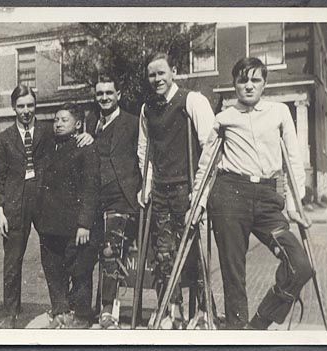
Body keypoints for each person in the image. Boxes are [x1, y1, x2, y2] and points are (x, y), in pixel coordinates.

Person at [190, 57, 313, 330]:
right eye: (242, 80)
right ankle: (238, 333)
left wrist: (294, 204)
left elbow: (293, 160)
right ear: (234, 84)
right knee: (234, 275)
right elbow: (205, 165)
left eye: (255, 80)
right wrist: (196, 204)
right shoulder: (223, 119)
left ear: (264, 83)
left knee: (300, 265)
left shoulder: (280, 112)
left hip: (268, 198)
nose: (248, 86)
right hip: (229, 195)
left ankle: (257, 325)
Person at [0, 85, 94, 328]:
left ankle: (63, 309)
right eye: (21, 106)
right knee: (12, 260)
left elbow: (74, 132)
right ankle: (11, 314)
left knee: (56, 254)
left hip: (45, 202)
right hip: (16, 203)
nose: (26, 111)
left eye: (30, 105)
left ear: (34, 106)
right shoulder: (5, 138)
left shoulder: (48, 132)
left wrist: (88, 135)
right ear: (13, 108)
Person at [138, 51, 215, 328]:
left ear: (173, 71)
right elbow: (144, 148)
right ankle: (173, 310)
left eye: (161, 73)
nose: (157, 79)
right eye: (152, 74)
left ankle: (205, 312)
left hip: (187, 189)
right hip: (160, 189)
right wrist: (145, 185)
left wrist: (201, 191)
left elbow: (210, 145)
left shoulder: (192, 101)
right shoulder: (148, 109)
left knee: (194, 252)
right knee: (163, 253)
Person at [35, 103, 100, 329]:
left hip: (74, 224)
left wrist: (85, 223)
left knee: (80, 269)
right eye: (56, 120)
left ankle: (81, 316)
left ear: (78, 124)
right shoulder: (49, 146)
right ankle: (60, 312)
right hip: (50, 223)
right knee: (54, 270)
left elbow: (90, 187)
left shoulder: (85, 147)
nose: (58, 124)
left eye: (64, 120)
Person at [85, 73, 141, 329]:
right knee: (92, 253)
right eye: (100, 94)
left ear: (118, 94)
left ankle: (108, 310)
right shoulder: (91, 123)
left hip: (122, 198)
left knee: (110, 251)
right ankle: (92, 307)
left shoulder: (132, 122)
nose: (104, 98)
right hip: (97, 200)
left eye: (109, 93)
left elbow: (143, 156)